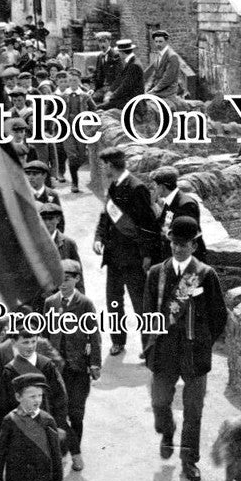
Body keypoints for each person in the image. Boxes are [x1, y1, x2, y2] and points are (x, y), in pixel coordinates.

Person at [142, 216, 229, 481]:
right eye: (174, 243)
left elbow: (218, 316)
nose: (178, 248)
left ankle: (189, 460)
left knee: (194, 411)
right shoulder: (156, 273)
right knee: (159, 403)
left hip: (194, 354)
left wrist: (203, 341)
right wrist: (148, 345)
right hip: (164, 351)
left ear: (194, 244)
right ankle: (167, 431)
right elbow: (147, 313)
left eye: (184, 244)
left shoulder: (205, 274)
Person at [93, 145, 160, 355]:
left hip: (133, 258)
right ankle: (118, 341)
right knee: (114, 302)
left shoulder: (136, 187)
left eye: (103, 165)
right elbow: (106, 215)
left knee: (140, 305)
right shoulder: (114, 185)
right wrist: (99, 237)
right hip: (113, 256)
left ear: (111, 165)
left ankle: (148, 347)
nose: (101, 169)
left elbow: (148, 225)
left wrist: (147, 255)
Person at [42, 260, 101, 472]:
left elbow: (94, 335)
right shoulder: (50, 303)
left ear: (77, 279)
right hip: (57, 370)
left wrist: (95, 363)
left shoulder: (85, 303)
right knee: (58, 410)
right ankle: (66, 446)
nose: (63, 283)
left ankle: (75, 446)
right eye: (60, 279)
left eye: (68, 278)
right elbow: (45, 335)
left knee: (76, 413)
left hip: (78, 369)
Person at [0, 373, 64, 481]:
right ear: (18, 397)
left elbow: (55, 454)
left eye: (39, 396)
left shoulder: (47, 420)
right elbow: (1, 453)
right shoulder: (10, 420)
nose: (37, 400)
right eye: (32, 396)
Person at [0, 326, 68, 433]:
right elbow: (2, 402)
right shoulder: (9, 370)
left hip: (45, 426)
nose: (30, 346)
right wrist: (4, 430)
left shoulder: (46, 365)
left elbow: (60, 396)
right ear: (14, 343)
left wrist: (60, 425)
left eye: (33, 341)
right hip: (19, 427)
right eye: (25, 342)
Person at [151, 166, 207, 261]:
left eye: (155, 186)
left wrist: (166, 232)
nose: (154, 189)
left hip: (188, 259)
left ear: (162, 187)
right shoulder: (169, 201)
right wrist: (152, 205)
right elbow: (161, 224)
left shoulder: (186, 204)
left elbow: (187, 236)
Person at [98, 39, 144, 111]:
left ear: (122, 52)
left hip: (133, 101)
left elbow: (125, 86)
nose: (118, 53)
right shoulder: (129, 62)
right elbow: (119, 80)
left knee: (100, 107)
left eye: (119, 51)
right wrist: (110, 92)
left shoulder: (134, 65)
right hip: (127, 97)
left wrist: (111, 97)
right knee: (102, 105)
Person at [23, 160, 63, 233]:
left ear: (44, 175)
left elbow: (60, 221)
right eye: (28, 174)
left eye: (35, 174)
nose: (30, 177)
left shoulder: (52, 195)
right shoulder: (22, 195)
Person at [143, 30, 182, 102]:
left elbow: (168, 79)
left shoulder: (172, 56)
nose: (158, 44)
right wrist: (147, 88)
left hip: (167, 92)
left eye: (160, 42)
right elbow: (154, 75)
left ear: (166, 41)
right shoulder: (158, 55)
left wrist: (152, 91)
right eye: (156, 41)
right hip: (158, 90)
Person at [90, 32, 121, 102]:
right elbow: (95, 75)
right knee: (88, 99)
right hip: (101, 88)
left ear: (109, 42)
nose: (102, 45)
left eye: (104, 42)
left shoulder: (116, 56)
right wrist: (92, 89)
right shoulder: (100, 57)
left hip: (112, 88)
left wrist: (110, 92)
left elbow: (119, 77)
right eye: (100, 42)